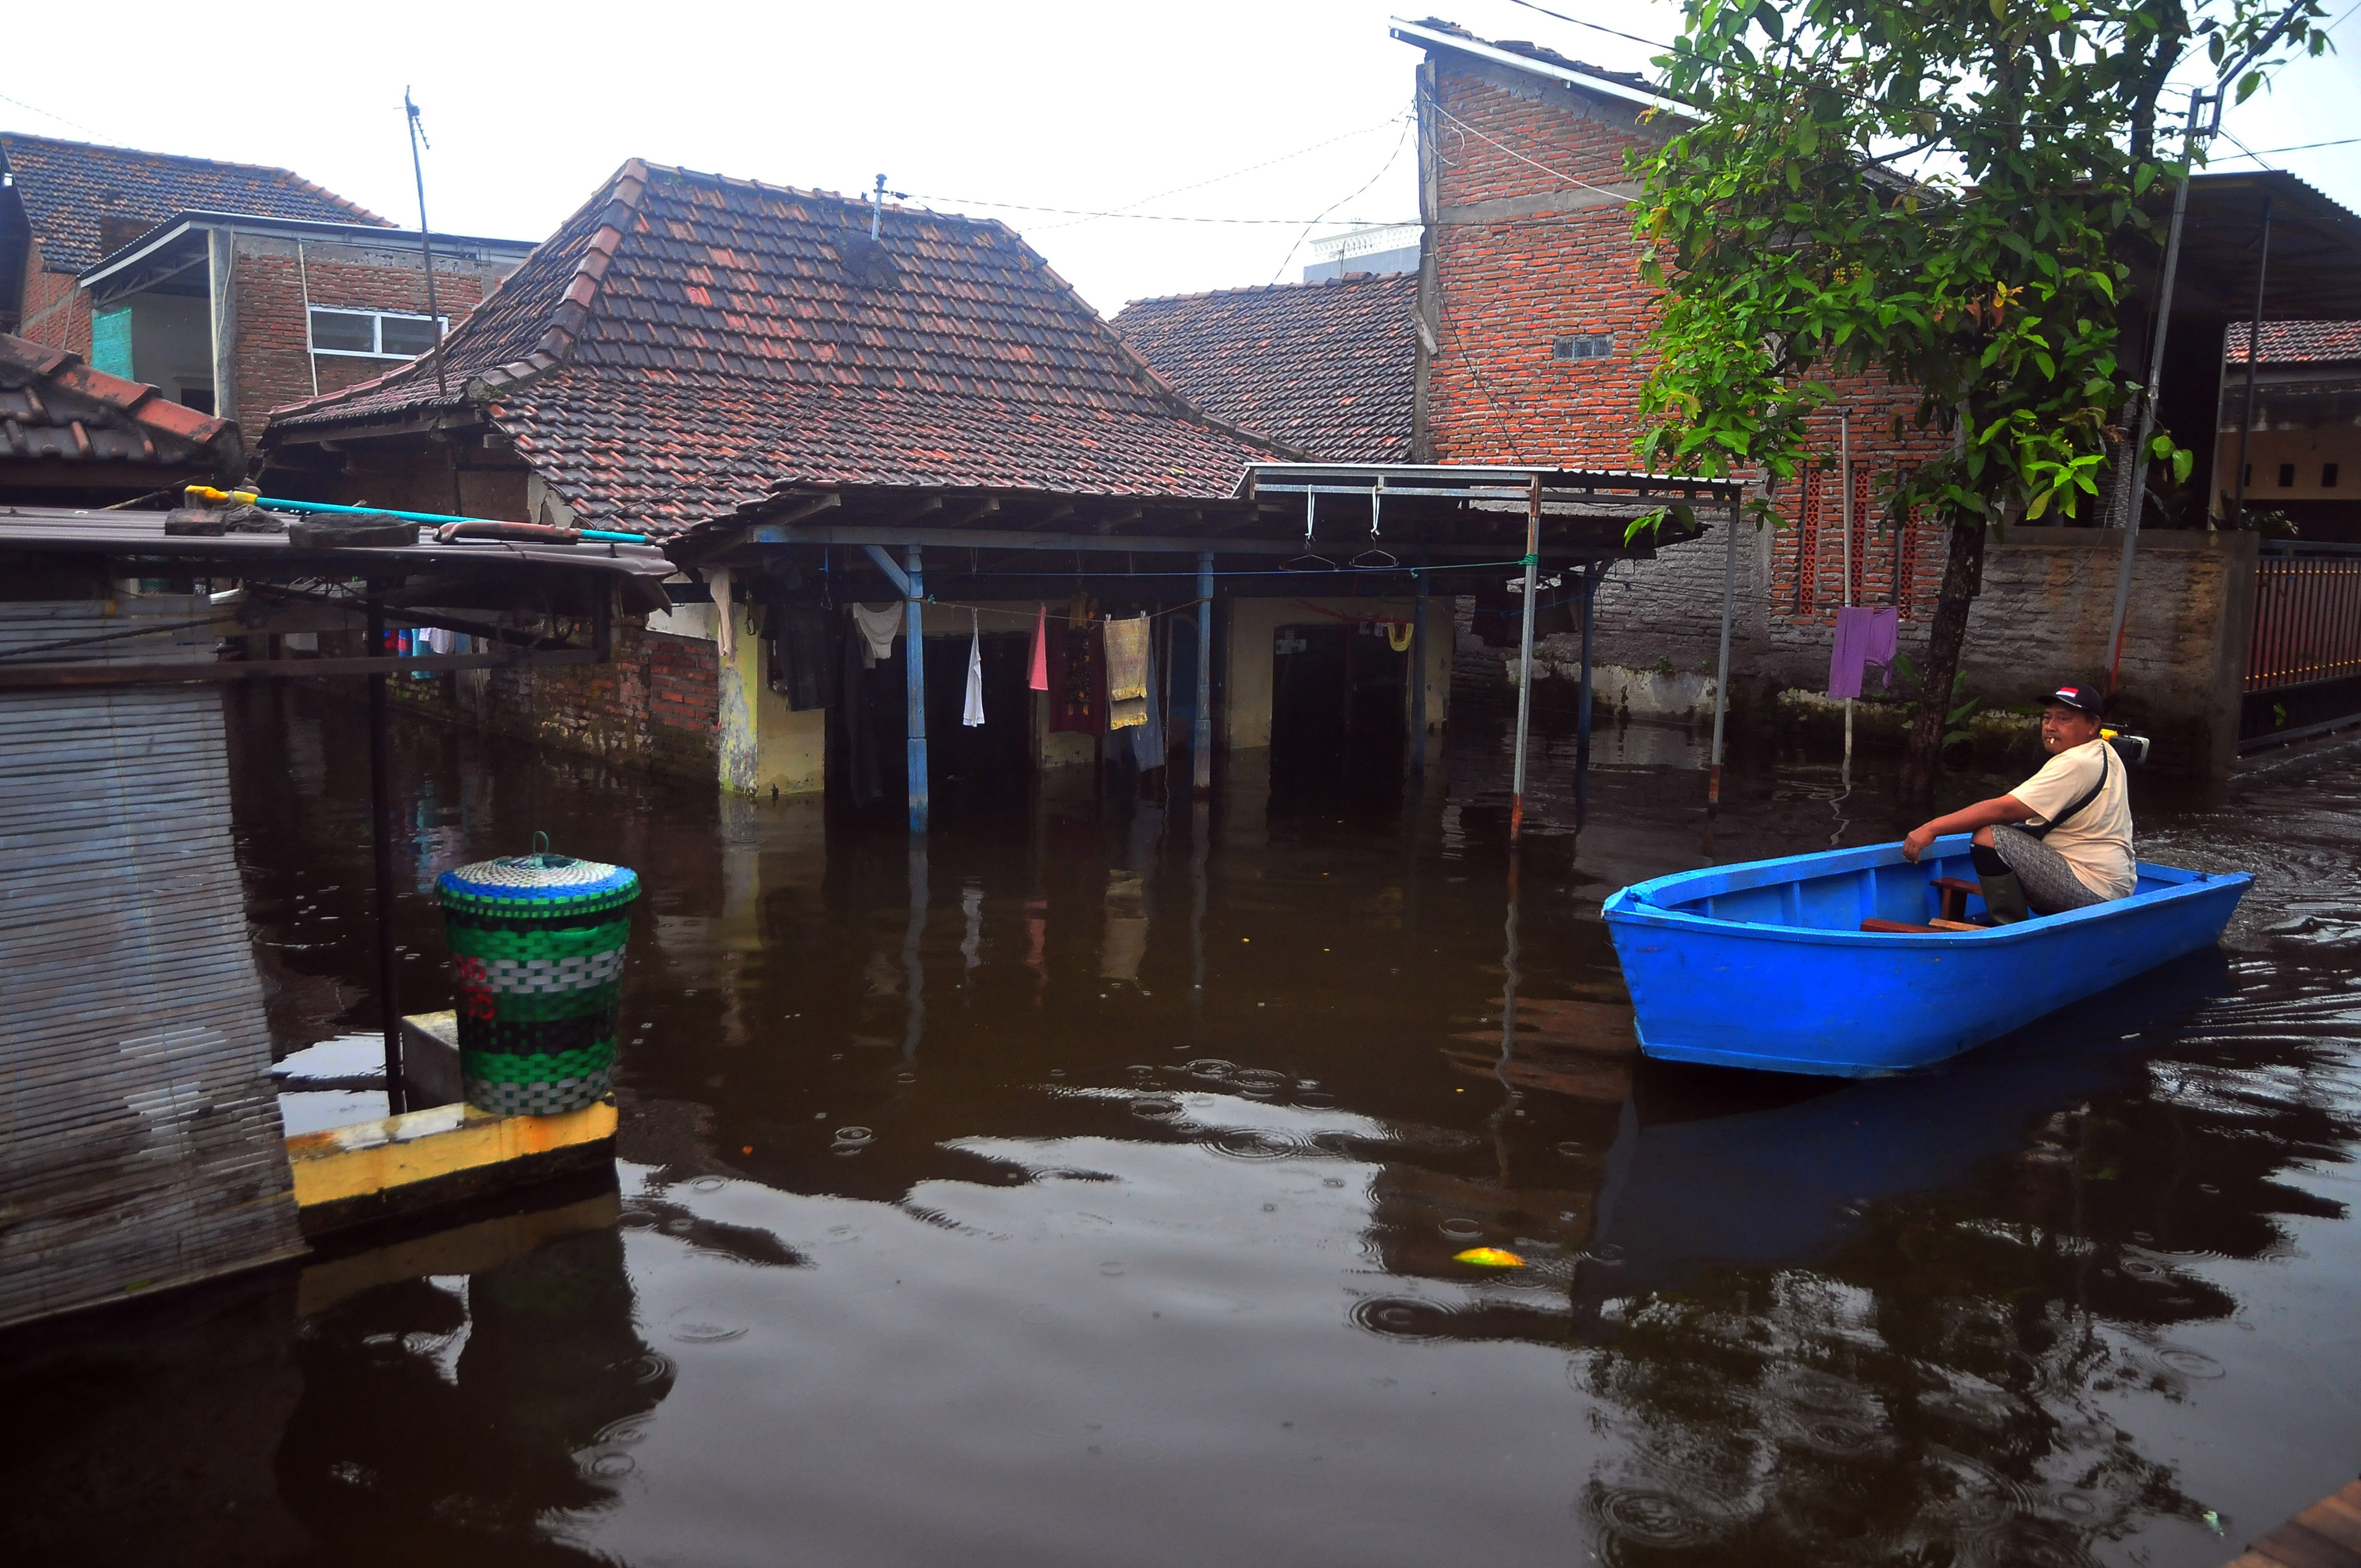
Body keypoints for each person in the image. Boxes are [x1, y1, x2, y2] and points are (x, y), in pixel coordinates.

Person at [1900, 683, 2133, 923]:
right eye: (2046, 718)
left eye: (2064, 719)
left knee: (1989, 837)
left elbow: (2006, 810)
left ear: (2093, 725)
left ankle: (2007, 929)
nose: (2050, 727)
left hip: (2093, 890)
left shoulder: (2076, 762)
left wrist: (1931, 828)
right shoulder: (2104, 751)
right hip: (2115, 885)